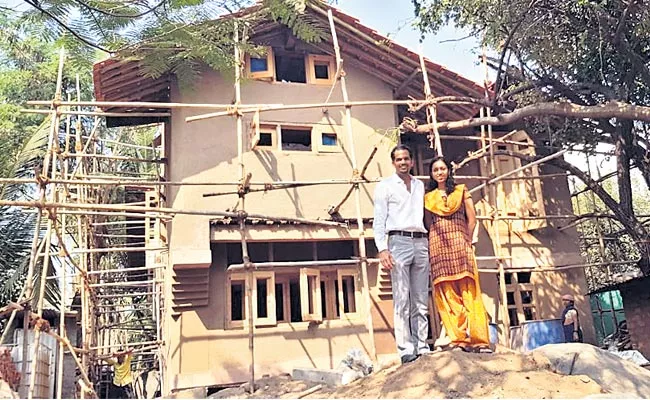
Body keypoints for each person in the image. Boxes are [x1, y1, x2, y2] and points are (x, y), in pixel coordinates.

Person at [424, 156, 492, 353]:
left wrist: (467, 239)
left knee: (469, 291)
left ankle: (480, 340)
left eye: (442, 169)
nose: (439, 173)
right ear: (431, 173)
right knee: (447, 294)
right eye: (435, 170)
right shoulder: (428, 198)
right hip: (438, 248)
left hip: (461, 244)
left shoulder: (462, 191)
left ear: (448, 171)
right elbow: (429, 224)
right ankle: (458, 338)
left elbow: (472, 219)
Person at [373, 144, 430, 364]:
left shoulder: (419, 185)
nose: (403, 162)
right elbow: (379, 220)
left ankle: (422, 346)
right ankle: (406, 349)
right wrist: (382, 248)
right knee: (401, 297)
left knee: (420, 299)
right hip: (398, 242)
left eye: (406, 158)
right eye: (399, 159)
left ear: (412, 161)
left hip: (420, 241)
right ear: (393, 162)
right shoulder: (385, 186)